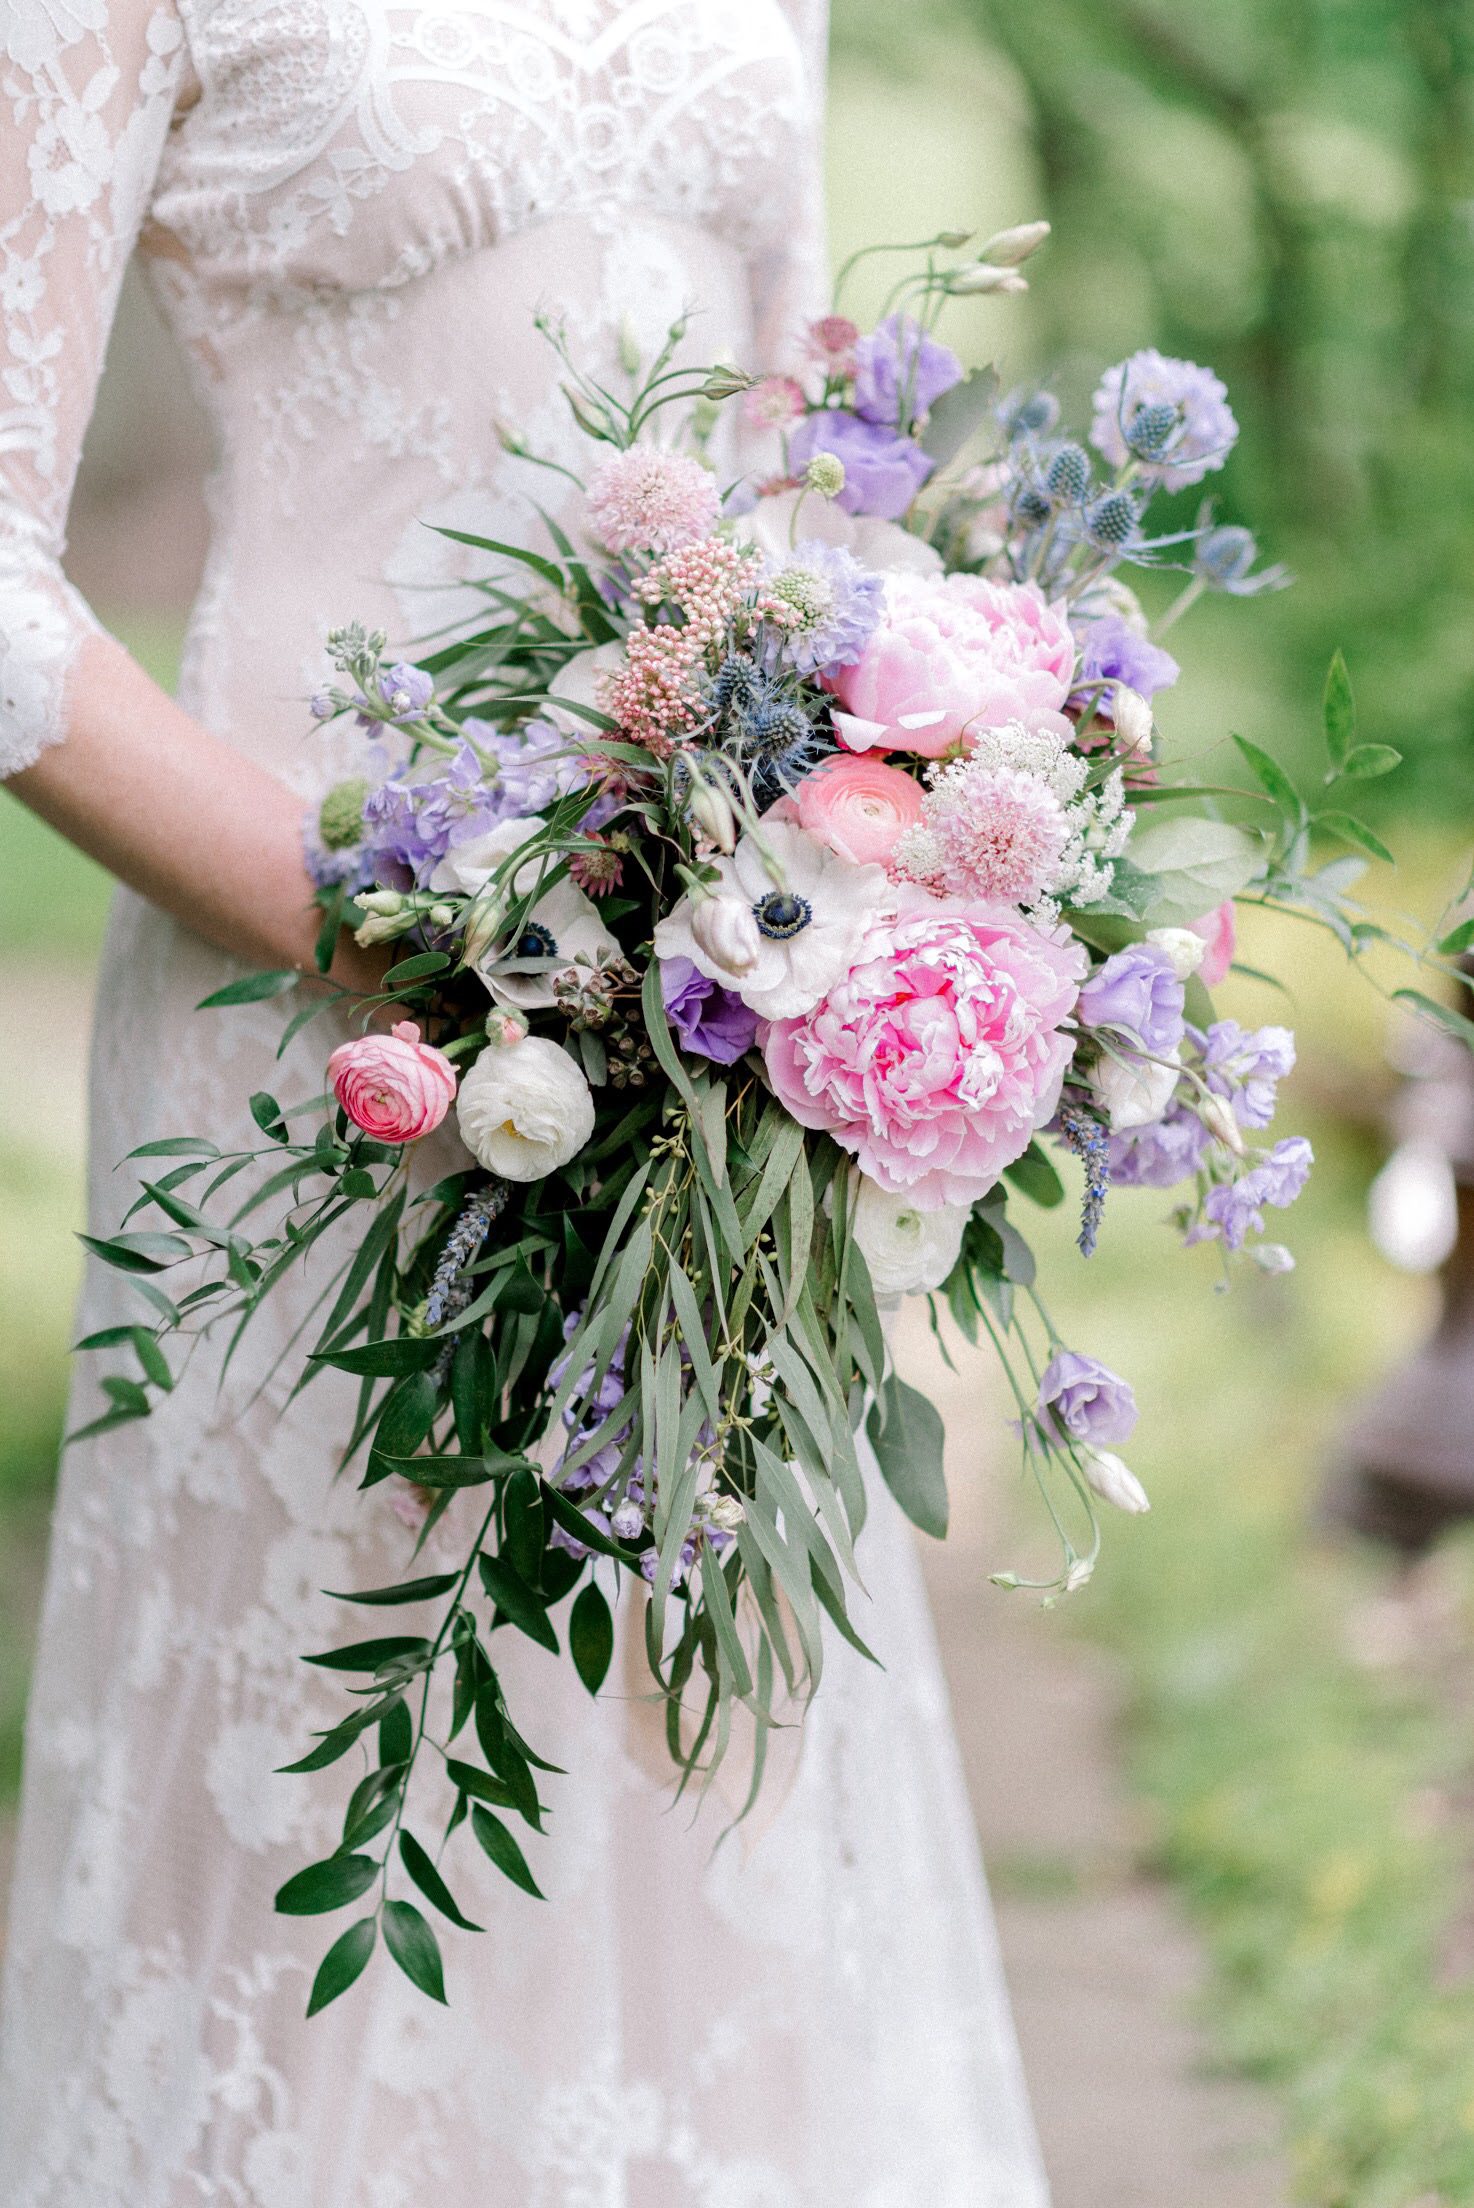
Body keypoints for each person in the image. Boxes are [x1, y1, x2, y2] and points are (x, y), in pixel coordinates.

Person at [0, 2, 1052, 2197]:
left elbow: (796, 474)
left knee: (702, 1757)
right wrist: (396, 941)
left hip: (714, 1033)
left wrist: (897, 857)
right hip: (330, 1046)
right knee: (347, 1788)